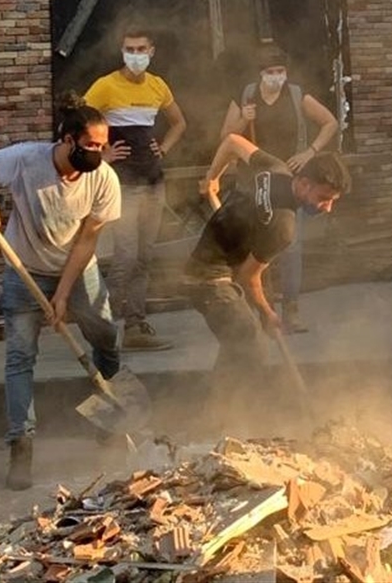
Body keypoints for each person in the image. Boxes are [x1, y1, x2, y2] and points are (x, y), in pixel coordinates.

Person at [0, 104, 121, 490]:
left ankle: (111, 416)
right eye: (90, 145)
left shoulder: (103, 178)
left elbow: (88, 239)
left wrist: (64, 295)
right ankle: (21, 445)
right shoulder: (24, 159)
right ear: (67, 140)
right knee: (20, 357)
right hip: (25, 272)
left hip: (79, 271)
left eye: (103, 146)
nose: (98, 153)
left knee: (105, 338)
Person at [193, 134, 350, 429]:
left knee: (238, 337)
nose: (327, 207)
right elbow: (248, 277)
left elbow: (230, 141)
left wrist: (212, 178)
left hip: (211, 264)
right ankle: (223, 419)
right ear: (304, 184)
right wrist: (268, 313)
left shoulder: (274, 169)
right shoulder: (283, 227)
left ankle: (214, 412)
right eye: (323, 199)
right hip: (209, 279)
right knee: (251, 345)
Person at [217, 43, 339, 334]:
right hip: (254, 180)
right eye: (271, 72)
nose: (276, 77)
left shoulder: (296, 96)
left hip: (289, 180)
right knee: (256, 247)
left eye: (280, 71)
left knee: (290, 245)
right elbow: (226, 137)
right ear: (261, 73)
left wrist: (310, 151)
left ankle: (291, 309)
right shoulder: (246, 96)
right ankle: (261, 310)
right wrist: (243, 119)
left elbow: (330, 123)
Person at [84, 27, 187, 351]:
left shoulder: (158, 86)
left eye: (141, 48)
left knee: (144, 256)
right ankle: (110, 324)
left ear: (151, 51)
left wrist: (165, 148)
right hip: (124, 183)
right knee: (125, 256)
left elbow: (179, 122)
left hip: (153, 181)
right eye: (129, 48)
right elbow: (76, 124)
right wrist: (102, 154)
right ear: (122, 51)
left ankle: (136, 322)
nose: (135, 54)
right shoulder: (105, 86)